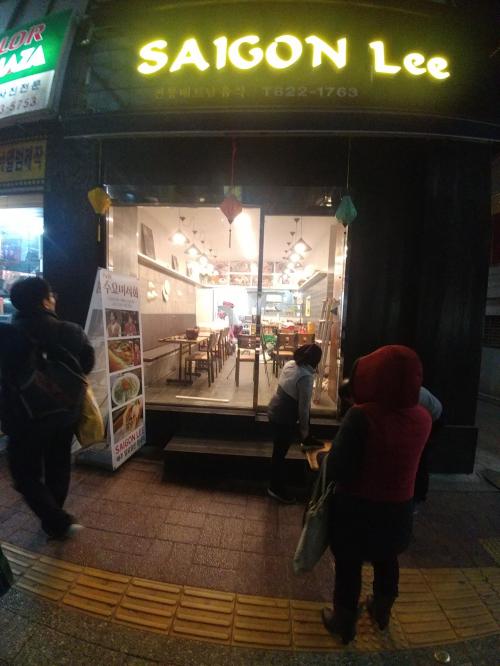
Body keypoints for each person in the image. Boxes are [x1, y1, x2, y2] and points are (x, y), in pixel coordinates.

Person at [321, 345, 432, 644]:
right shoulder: (423, 419)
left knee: (349, 565)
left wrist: (323, 460)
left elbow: (338, 467)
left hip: (357, 508)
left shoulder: (361, 416)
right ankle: (381, 611)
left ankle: (344, 622)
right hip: (399, 509)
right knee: (387, 559)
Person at [0, 277, 95, 539]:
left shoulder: (6, 334)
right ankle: (55, 521)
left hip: (24, 416)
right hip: (65, 411)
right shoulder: (72, 330)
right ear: (45, 301)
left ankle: (55, 519)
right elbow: (86, 365)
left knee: (24, 473)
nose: (54, 299)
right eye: (51, 295)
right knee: (59, 464)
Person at [267, 343, 323, 504]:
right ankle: (275, 488)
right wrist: (304, 433)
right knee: (279, 454)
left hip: (274, 409)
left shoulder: (290, 364)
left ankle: (275, 486)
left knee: (278, 451)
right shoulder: (306, 377)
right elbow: (303, 409)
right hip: (283, 417)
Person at [414, 386, 443, 504]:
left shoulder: (413, 395)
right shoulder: (413, 391)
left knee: (421, 457)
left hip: (434, 418)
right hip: (431, 414)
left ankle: (420, 495)